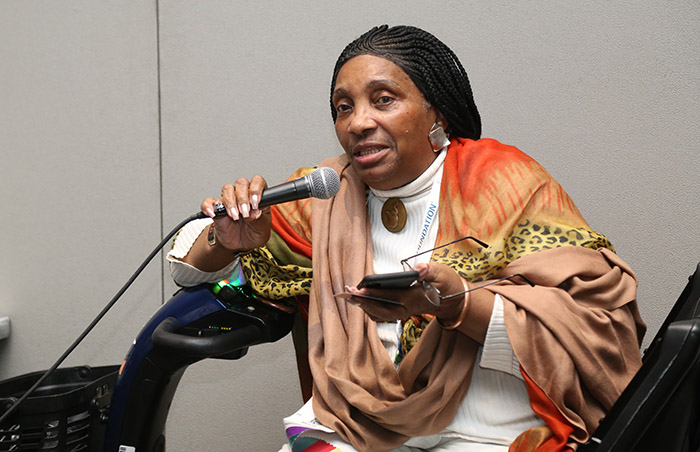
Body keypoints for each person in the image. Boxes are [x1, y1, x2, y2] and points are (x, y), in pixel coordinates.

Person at [168, 25, 645, 452]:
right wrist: (226, 238)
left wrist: (458, 306)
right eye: (343, 107)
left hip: (490, 430)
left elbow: (598, 322)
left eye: (383, 99)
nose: (357, 122)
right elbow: (185, 266)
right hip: (357, 428)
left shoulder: (501, 181)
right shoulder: (327, 189)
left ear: (434, 110)